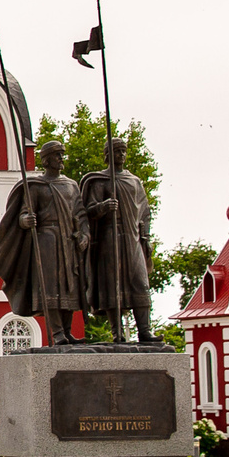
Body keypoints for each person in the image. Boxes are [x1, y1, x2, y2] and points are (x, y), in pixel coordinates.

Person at [0, 140, 86, 347]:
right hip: (46, 241)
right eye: (57, 155)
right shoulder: (35, 186)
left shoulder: (71, 185)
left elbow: (80, 213)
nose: (61, 159)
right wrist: (26, 220)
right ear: (46, 159)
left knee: (69, 286)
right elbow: (23, 213)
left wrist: (83, 235)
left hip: (68, 240)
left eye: (62, 154)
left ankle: (68, 332)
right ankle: (58, 332)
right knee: (50, 287)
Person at [80, 136, 155, 343]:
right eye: (116, 151)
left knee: (140, 282)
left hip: (132, 238)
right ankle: (117, 332)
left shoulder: (134, 181)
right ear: (107, 155)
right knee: (112, 285)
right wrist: (103, 207)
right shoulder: (98, 180)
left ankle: (145, 331)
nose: (121, 154)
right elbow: (86, 211)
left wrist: (146, 236)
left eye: (123, 151)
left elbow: (145, 212)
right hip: (108, 237)